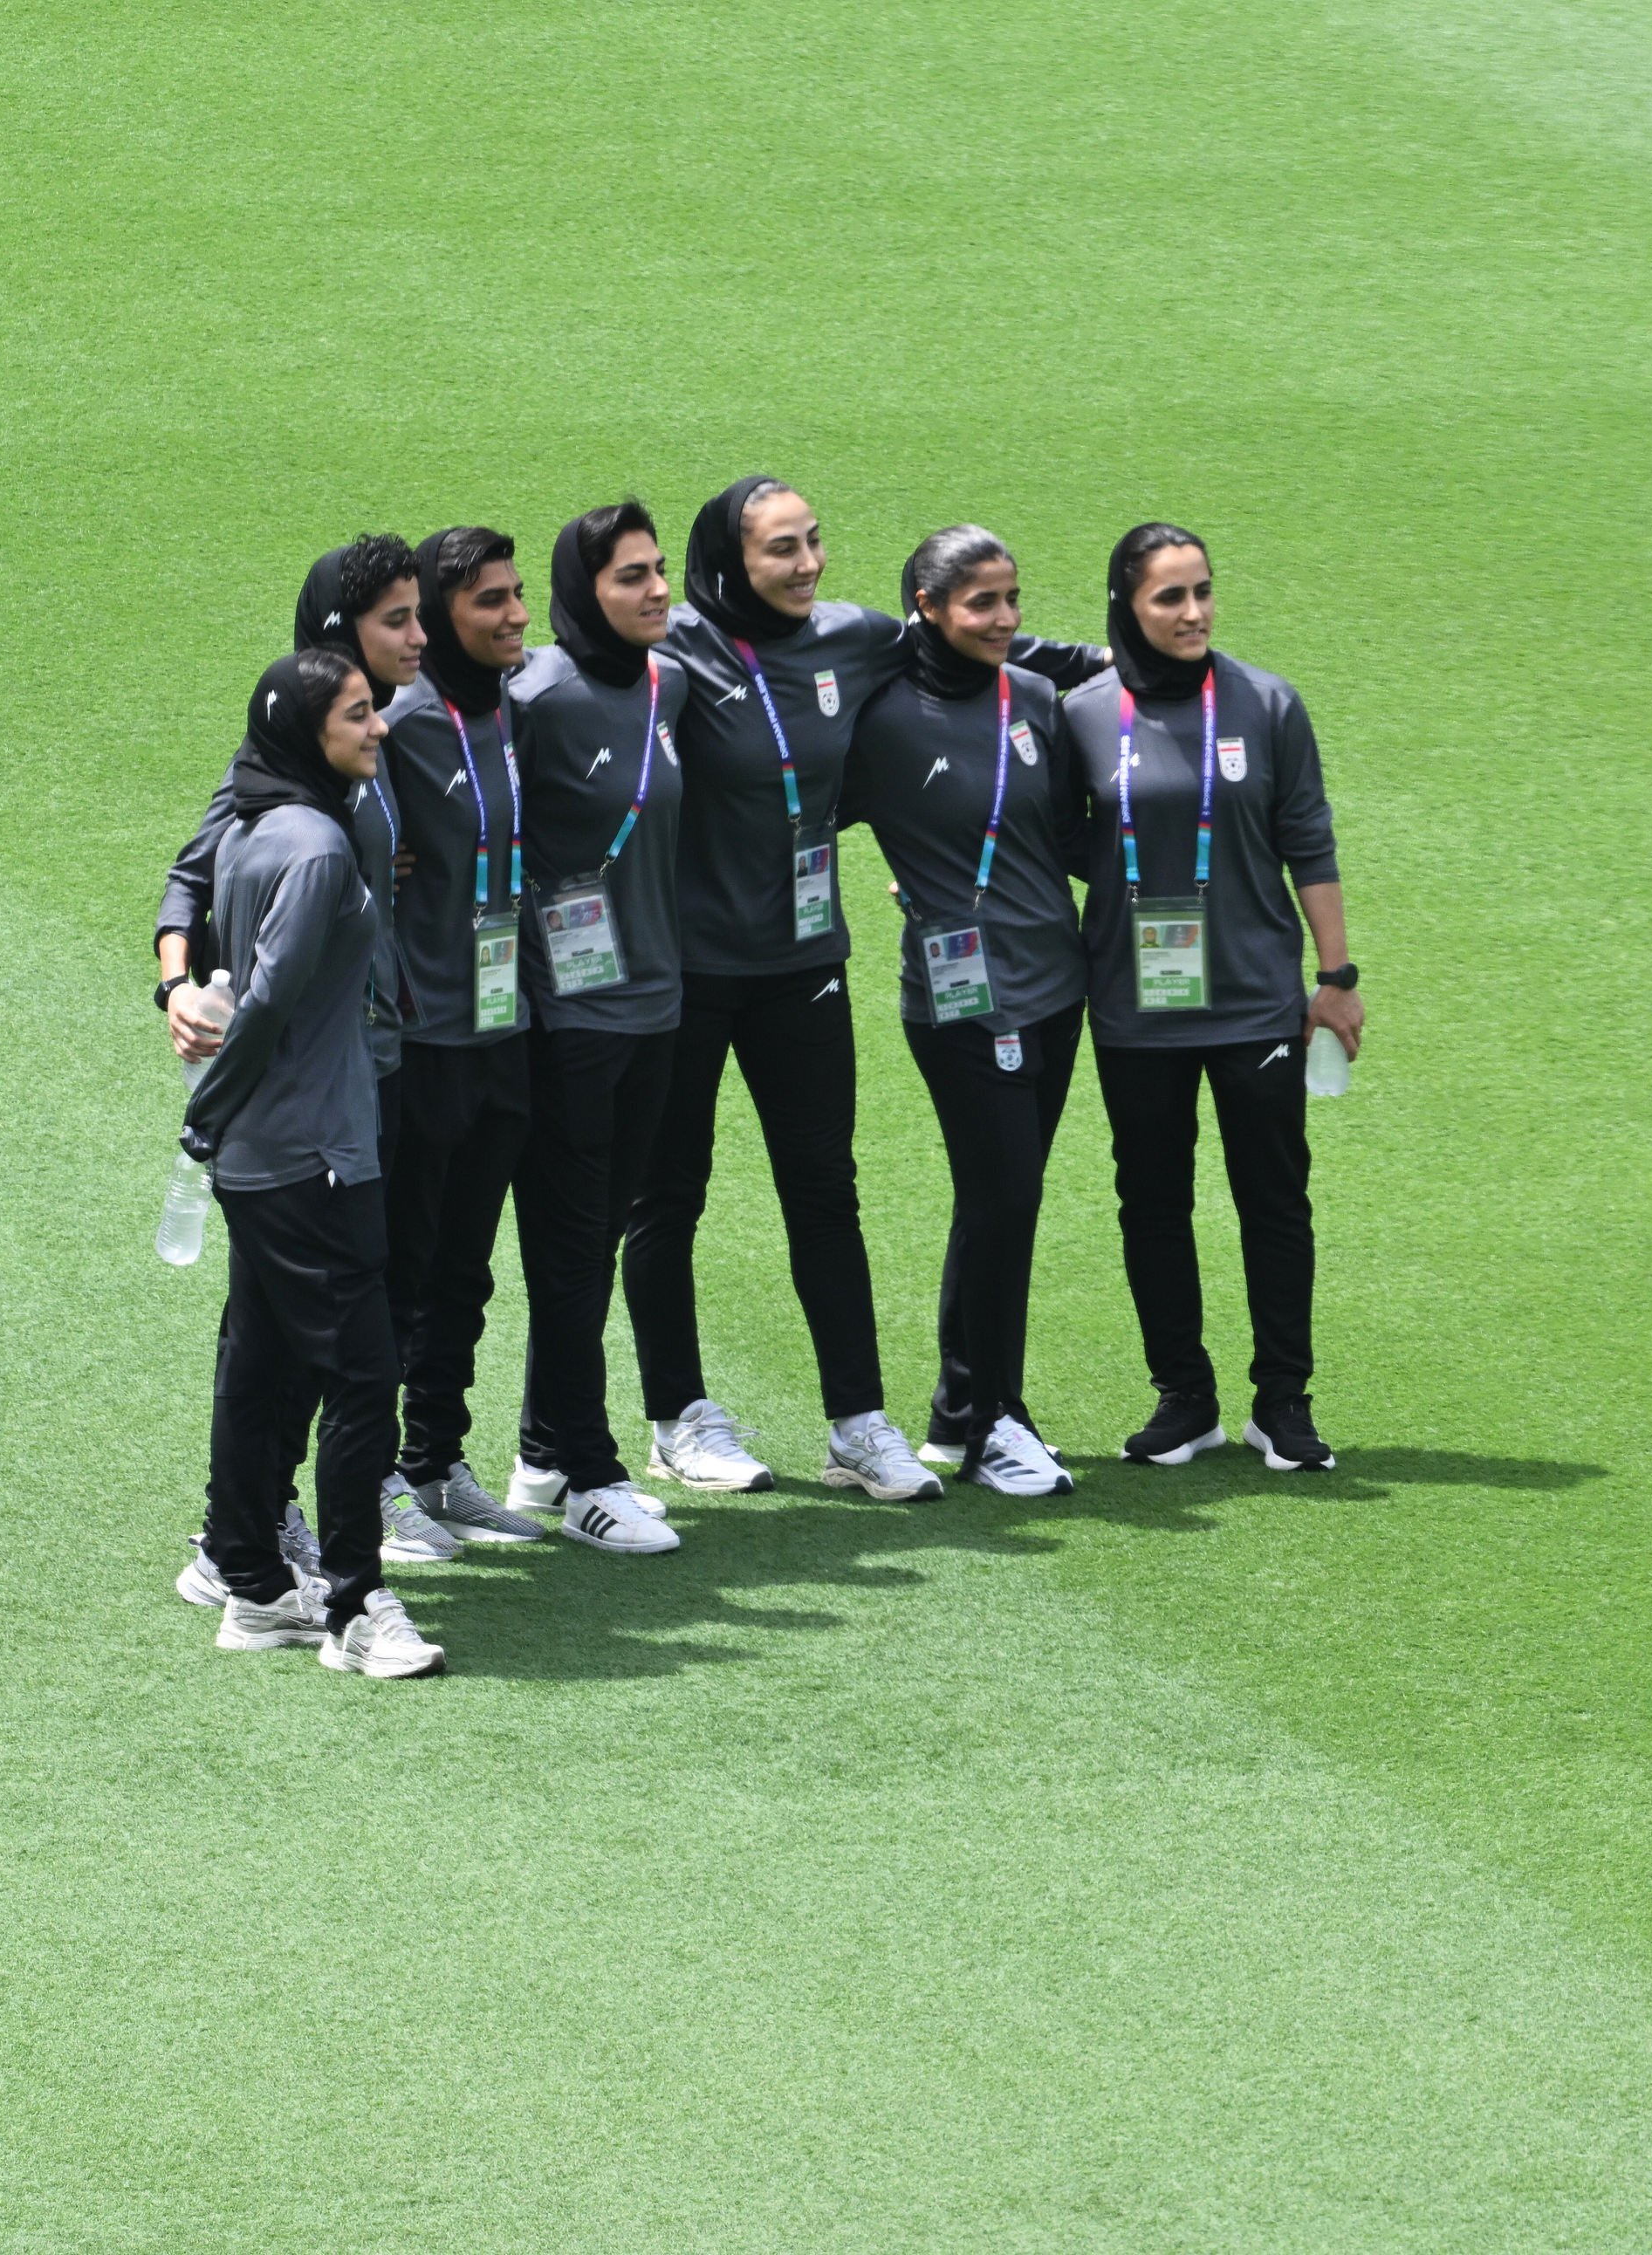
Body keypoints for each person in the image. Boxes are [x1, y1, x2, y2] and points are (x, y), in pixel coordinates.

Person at [628, 476, 1107, 1500]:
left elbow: (981, 643)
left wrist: (1116, 665)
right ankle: (676, 1417)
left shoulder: (854, 637)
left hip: (804, 963)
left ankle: (858, 1422)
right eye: (781, 550)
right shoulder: (674, 657)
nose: (807, 565)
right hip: (686, 971)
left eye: (813, 543)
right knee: (669, 1194)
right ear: (729, 563)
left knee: (825, 1186)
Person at [160, 535, 463, 1585]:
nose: (419, 636)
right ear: (343, 635)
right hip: (313, 1089)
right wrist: (176, 985)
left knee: (326, 1309)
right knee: (279, 1326)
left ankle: (268, 1519)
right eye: (397, 619)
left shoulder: (370, 744)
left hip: (368, 1065)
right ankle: (249, 1530)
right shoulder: (298, 746)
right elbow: (192, 875)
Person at [1058, 524, 1361, 1472]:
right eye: (1168, 598)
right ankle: (1183, 1398)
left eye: (1202, 592)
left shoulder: (1267, 704)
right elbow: (1050, 841)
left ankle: (1284, 1401)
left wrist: (1337, 977)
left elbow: (1306, 842)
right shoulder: (1079, 715)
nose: (1191, 613)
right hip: (1133, 1005)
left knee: (1274, 1200)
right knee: (1151, 1202)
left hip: (1256, 1001)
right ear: (1127, 606)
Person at [840, 528, 1093, 1496]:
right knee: (1001, 1195)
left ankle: (986, 1408)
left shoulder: (1033, 699)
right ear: (928, 606)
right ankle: (978, 1419)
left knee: (1012, 1205)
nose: (1004, 619)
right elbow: (792, 810)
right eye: (981, 602)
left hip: (1055, 986)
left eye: (1012, 599)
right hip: (959, 1001)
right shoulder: (884, 718)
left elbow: (1068, 833)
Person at [502, 499, 690, 1554]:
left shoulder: (670, 685)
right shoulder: (541, 695)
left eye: (660, 570)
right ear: (585, 592)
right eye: (629, 575)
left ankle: (540, 1454)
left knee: (599, 1238)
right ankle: (588, 1472)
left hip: (654, 1007)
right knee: (571, 1249)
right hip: (569, 1019)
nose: (655, 589)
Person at [372, 524, 552, 1545]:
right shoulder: (394, 722)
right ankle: (377, 1477)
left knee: (468, 1271)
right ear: (442, 618)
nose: (517, 614)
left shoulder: (517, 711)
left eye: (520, 594)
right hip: (423, 1040)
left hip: (505, 1028)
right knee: (405, 1265)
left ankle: (435, 1459)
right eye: (491, 600)